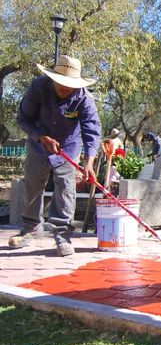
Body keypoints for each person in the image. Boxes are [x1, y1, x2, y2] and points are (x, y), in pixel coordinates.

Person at [9, 55, 101, 256]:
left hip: (69, 147)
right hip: (39, 145)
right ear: (53, 78)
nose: (64, 87)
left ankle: (62, 234)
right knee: (33, 185)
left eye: (69, 84)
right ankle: (30, 229)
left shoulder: (84, 98)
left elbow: (92, 131)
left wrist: (90, 163)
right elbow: (23, 119)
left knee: (66, 189)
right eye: (61, 82)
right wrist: (42, 137)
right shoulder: (38, 88)